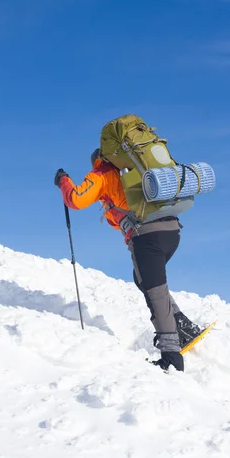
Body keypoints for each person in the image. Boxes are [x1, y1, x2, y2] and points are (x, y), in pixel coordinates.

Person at [54, 149, 201, 372]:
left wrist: (63, 181)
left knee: (154, 289)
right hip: (171, 231)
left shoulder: (102, 173)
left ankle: (171, 357)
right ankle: (182, 325)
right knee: (144, 280)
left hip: (146, 235)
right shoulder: (137, 171)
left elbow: (76, 199)